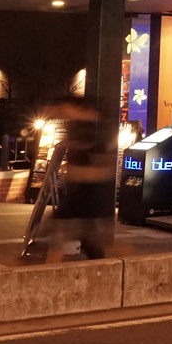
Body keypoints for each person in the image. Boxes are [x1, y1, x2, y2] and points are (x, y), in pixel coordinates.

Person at [48, 102, 112, 261]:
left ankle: (50, 264)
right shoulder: (81, 126)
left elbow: (100, 158)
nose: (66, 112)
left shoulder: (96, 128)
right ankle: (99, 260)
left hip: (88, 186)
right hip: (81, 186)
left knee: (60, 224)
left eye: (70, 108)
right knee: (85, 230)